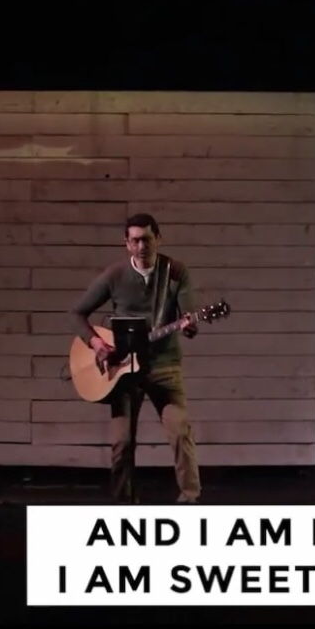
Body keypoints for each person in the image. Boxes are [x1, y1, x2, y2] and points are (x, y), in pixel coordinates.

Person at [69, 213, 202, 503]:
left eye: (147, 240)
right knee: (122, 442)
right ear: (127, 243)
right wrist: (96, 342)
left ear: (159, 239)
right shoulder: (115, 275)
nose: (142, 246)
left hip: (164, 366)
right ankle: (124, 505)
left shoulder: (175, 272)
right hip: (124, 370)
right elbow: (77, 313)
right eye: (136, 241)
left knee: (180, 432)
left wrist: (189, 324)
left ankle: (190, 499)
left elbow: (189, 315)